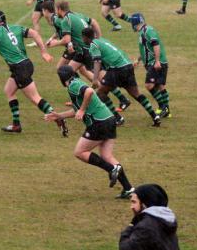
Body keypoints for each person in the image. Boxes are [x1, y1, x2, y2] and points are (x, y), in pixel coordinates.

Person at [45, 66, 135, 199]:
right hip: (109, 119)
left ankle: (111, 169)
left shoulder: (73, 85)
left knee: (80, 152)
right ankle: (128, 189)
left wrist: (82, 109)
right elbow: (76, 110)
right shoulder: (77, 83)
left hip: (98, 122)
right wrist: (59, 116)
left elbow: (89, 92)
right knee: (107, 156)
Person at [0, 10, 68, 136]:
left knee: (35, 98)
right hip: (26, 64)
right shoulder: (16, 27)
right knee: (9, 90)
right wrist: (43, 52)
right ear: (5, 19)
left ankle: (57, 117)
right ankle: (16, 125)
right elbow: (34, 33)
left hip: (19, 68)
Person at [50, 0, 131, 120]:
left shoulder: (67, 19)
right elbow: (94, 21)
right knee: (68, 71)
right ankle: (79, 96)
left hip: (87, 52)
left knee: (102, 80)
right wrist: (99, 37)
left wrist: (55, 43)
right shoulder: (77, 14)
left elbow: (66, 39)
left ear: (59, 9)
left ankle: (120, 105)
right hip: (80, 52)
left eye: (57, 9)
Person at [82, 28, 161, 127]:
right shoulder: (103, 40)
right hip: (127, 66)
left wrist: (94, 80)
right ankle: (155, 116)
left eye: (82, 37)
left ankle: (118, 118)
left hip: (117, 69)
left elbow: (97, 62)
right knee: (136, 94)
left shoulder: (93, 45)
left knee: (101, 93)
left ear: (85, 37)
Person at [119, 184, 183, 250]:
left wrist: (130, 226)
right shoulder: (165, 221)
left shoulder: (146, 227)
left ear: (144, 204)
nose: (131, 207)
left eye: (134, 202)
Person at [129, 13, 171, 118]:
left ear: (135, 23)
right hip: (152, 63)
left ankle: (163, 107)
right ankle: (166, 110)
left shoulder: (148, 30)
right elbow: (146, 48)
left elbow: (155, 45)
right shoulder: (143, 32)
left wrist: (157, 61)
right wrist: (139, 59)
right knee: (159, 85)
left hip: (156, 63)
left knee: (149, 85)